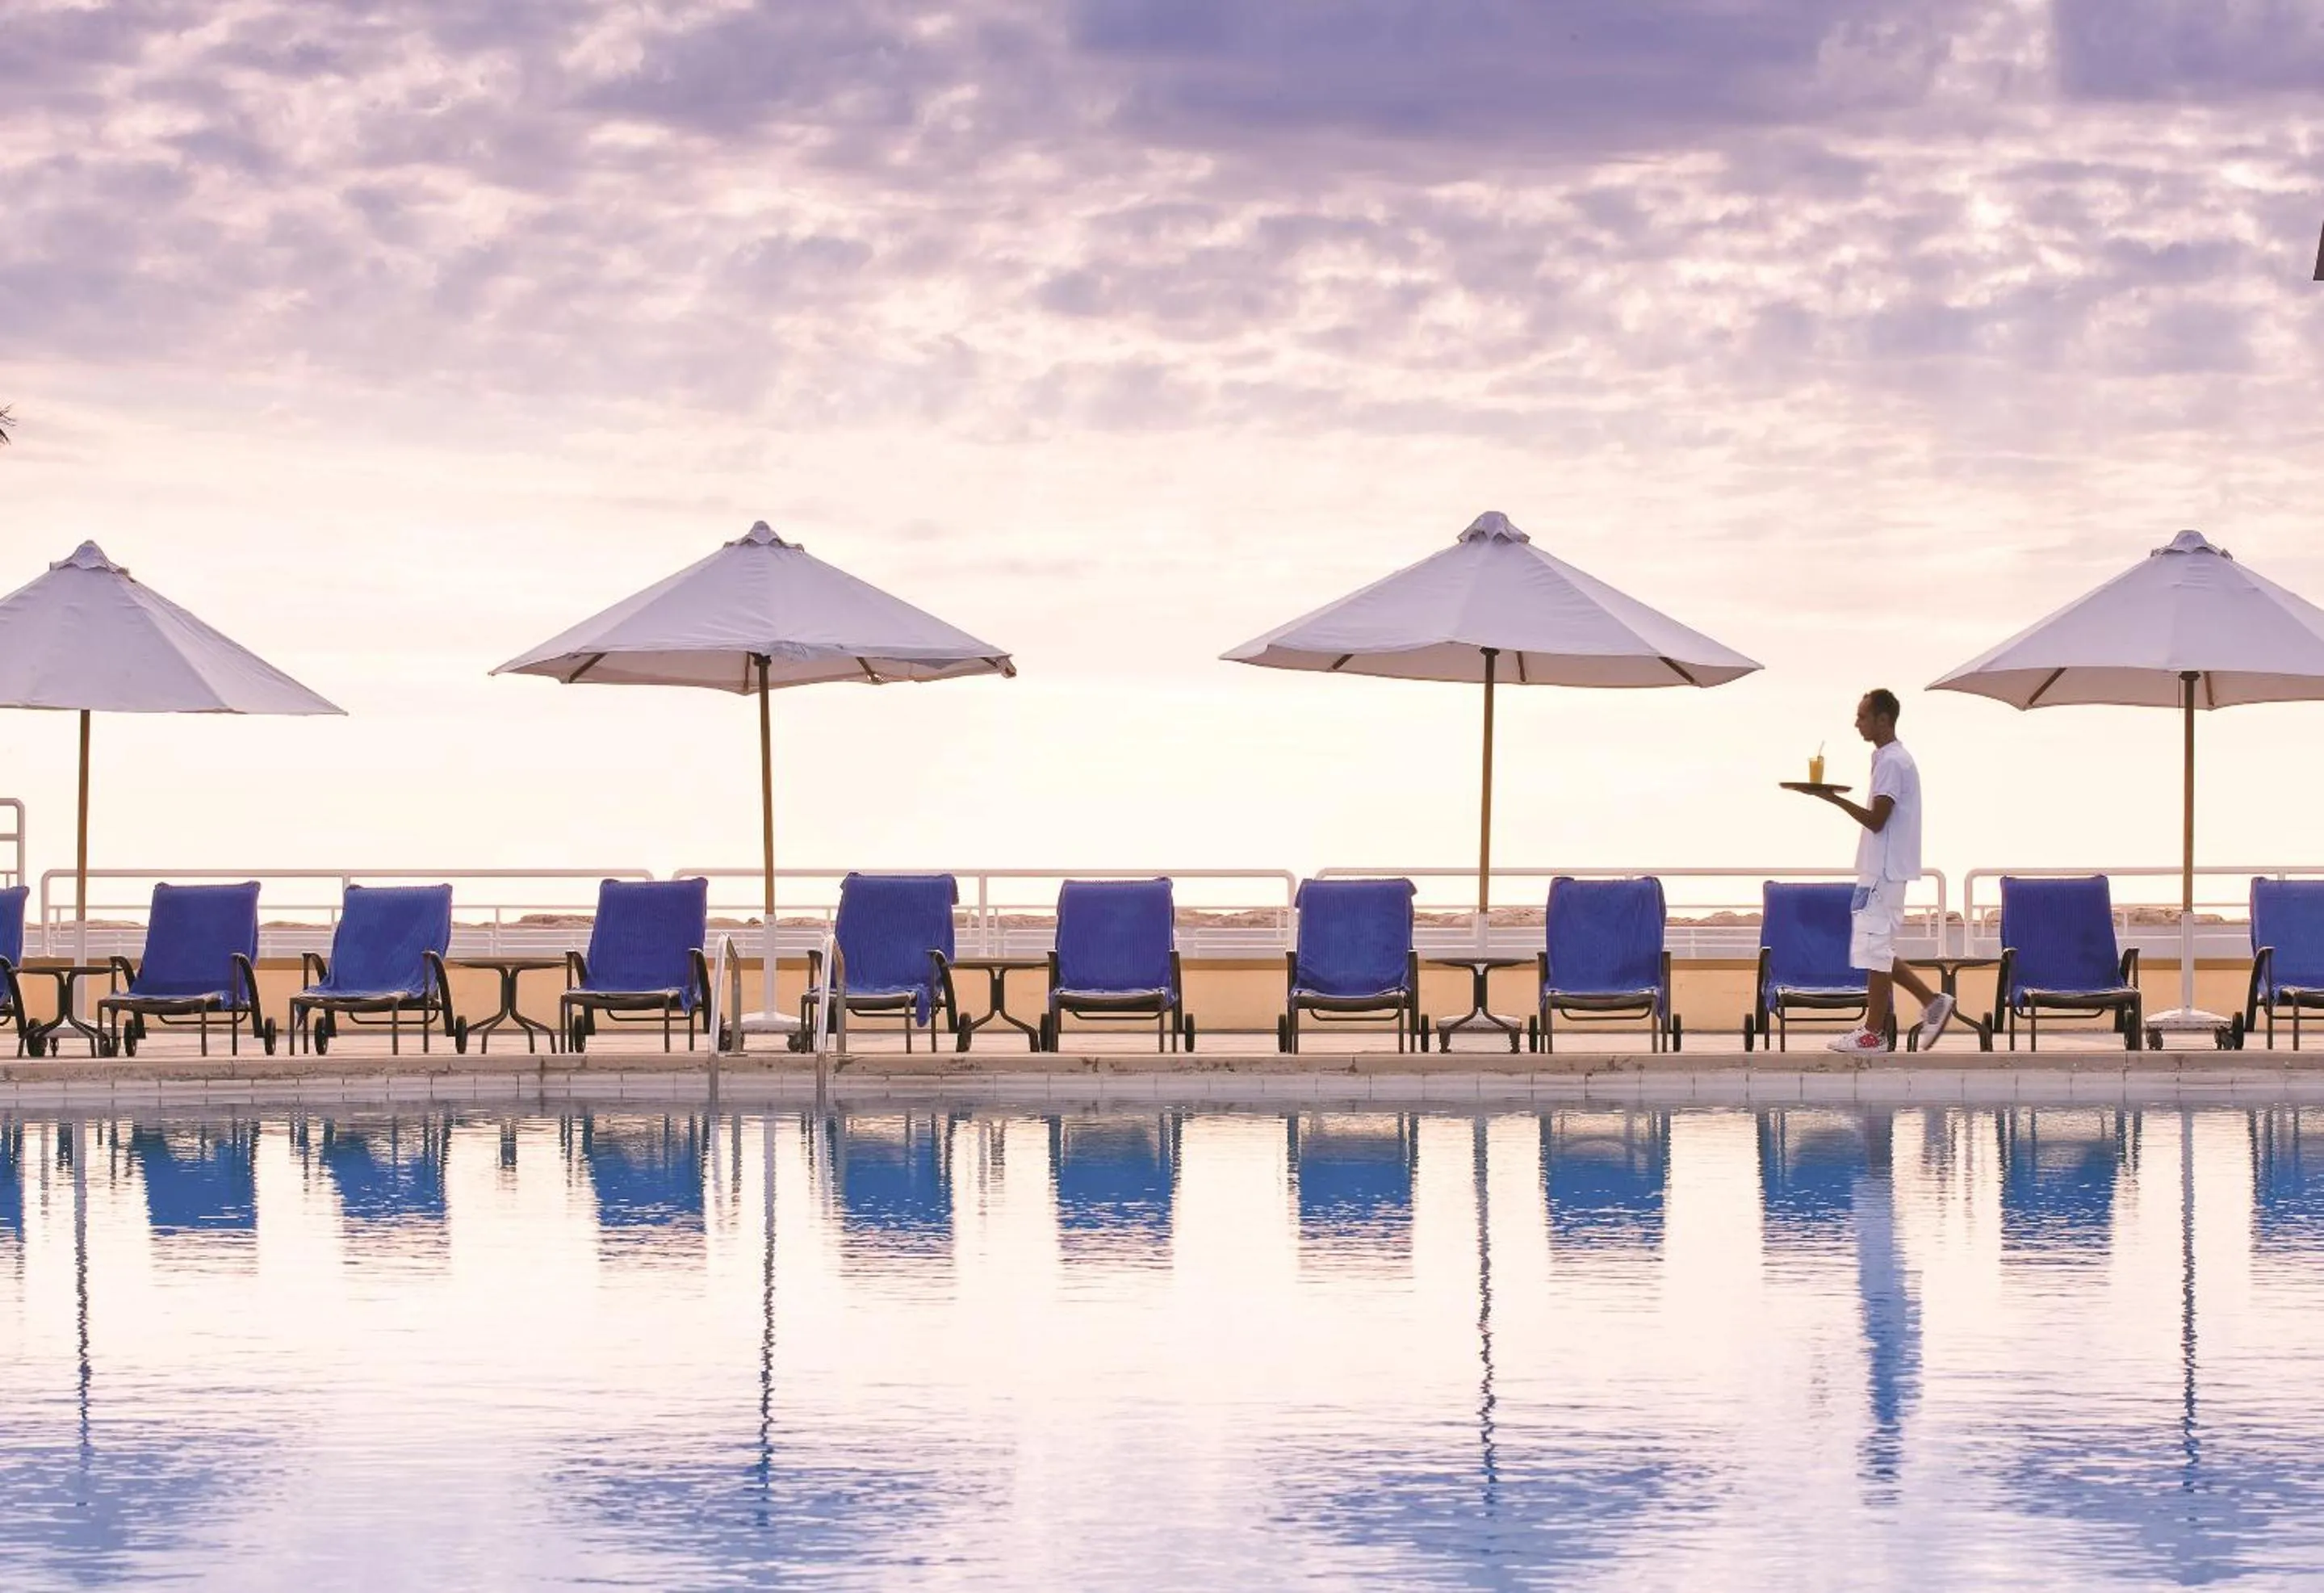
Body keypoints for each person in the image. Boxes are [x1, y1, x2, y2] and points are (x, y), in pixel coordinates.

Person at [1794, 689, 1953, 1054]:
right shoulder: (1886, 758)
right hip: (1877, 869)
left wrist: (1832, 798)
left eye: (1863, 716)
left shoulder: (1893, 762)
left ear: (1883, 719)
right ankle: (1932, 1003)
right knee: (1873, 948)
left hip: (1884, 871)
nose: (1857, 722)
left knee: (1875, 948)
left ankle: (1874, 1033)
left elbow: (1878, 820)